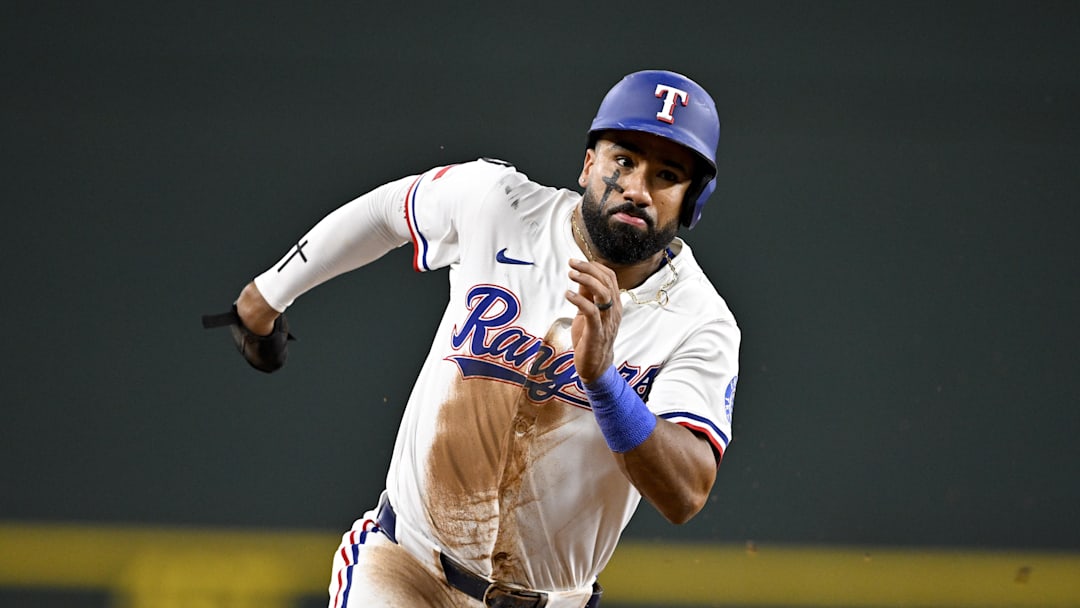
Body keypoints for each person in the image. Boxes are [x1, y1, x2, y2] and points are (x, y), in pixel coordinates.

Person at [205, 69, 740, 608]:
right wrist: (267, 294)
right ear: (588, 164)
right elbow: (387, 212)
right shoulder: (499, 205)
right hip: (406, 568)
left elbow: (685, 492)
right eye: (623, 160)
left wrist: (605, 386)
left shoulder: (699, 319)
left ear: (692, 199)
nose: (636, 188)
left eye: (667, 174)